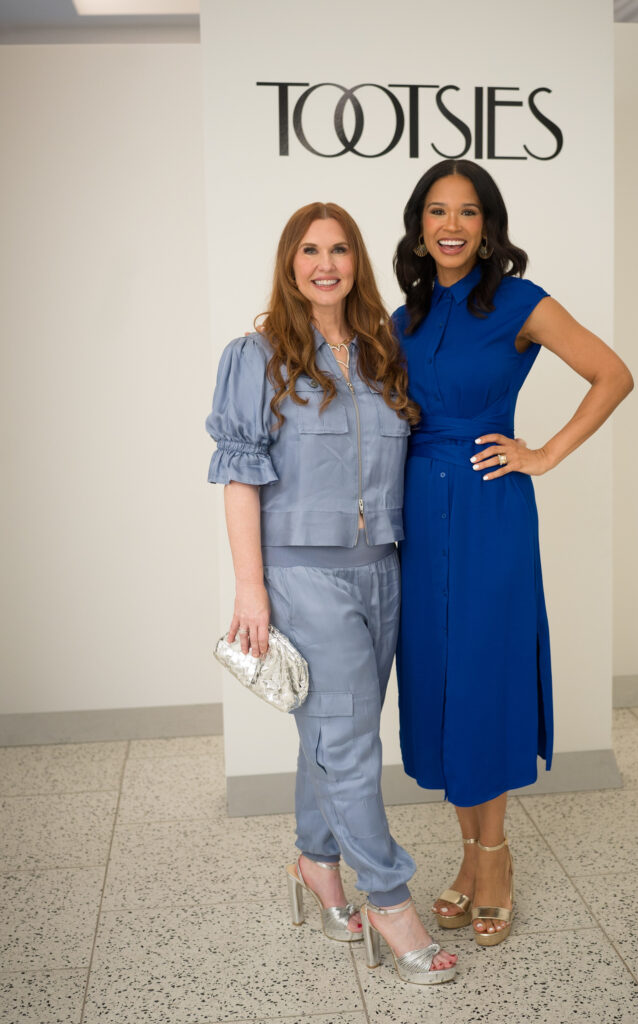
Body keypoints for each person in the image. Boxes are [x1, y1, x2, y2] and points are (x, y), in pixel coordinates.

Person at [206, 202, 457, 984]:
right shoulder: (257, 356)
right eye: (310, 250)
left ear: (358, 262)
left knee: (332, 733)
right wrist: (252, 589)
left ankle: (316, 864)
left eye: (340, 249)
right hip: (303, 576)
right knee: (350, 743)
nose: (326, 264)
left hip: (383, 569)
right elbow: (241, 477)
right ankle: (390, 902)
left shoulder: (385, 353)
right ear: (289, 263)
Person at [392, 160, 633, 948]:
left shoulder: (522, 303)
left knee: (485, 675)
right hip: (419, 513)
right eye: (437, 211)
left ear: (488, 226)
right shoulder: (406, 316)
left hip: (490, 506)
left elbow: (612, 373)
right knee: (439, 680)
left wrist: (546, 452)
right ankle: (466, 857)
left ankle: (494, 858)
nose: (451, 225)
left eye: (467, 211)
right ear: (419, 226)